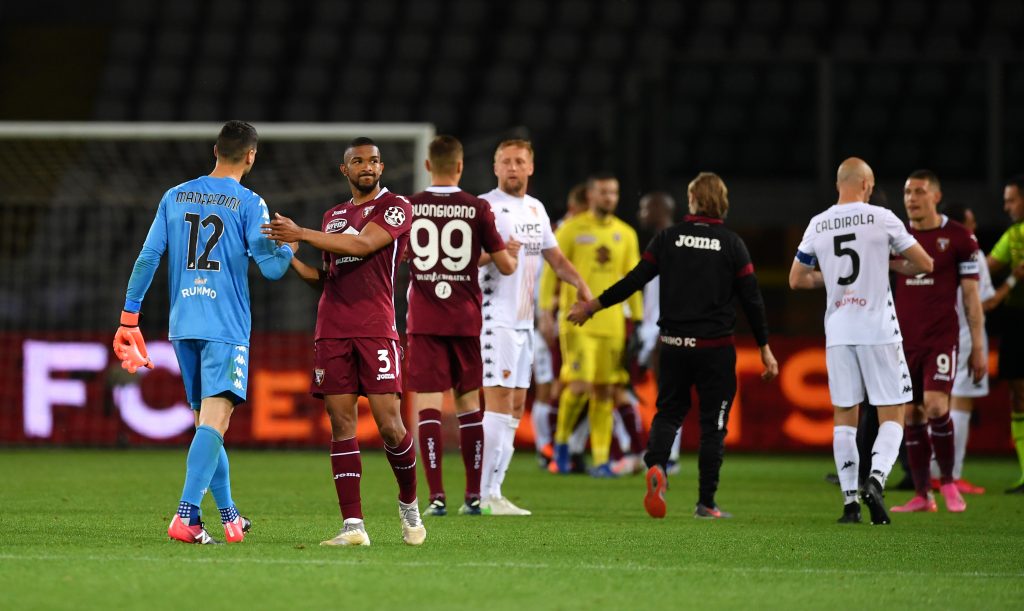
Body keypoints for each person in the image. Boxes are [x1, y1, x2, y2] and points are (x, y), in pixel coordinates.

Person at [113, 120, 295, 544]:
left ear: (215, 150)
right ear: (251, 156)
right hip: (224, 325)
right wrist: (290, 247)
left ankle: (229, 516)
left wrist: (128, 318)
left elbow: (148, 257)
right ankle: (186, 515)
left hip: (184, 324)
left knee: (207, 425)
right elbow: (271, 269)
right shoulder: (250, 202)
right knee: (216, 421)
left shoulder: (174, 195)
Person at [570, 172, 778, 519]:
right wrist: (764, 347)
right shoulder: (732, 244)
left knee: (669, 413)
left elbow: (634, 281)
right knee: (713, 426)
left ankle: (657, 466)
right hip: (715, 349)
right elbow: (752, 300)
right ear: (722, 202)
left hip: (673, 345)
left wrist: (593, 306)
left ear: (693, 200)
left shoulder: (668, 238)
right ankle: (706, 503)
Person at [262, 137, 425, 546]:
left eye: (374, 160)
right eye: (358, 161)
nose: (367, 166)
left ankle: (409, 503)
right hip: (332, 330)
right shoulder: (332, 216)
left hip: (376, 328)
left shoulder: (396, 206)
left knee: (390, 426)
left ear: (382, 168)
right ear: (345, 169)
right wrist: (289, 254)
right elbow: (327, 279)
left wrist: (302, 232)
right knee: (341, 424)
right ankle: (353, 526)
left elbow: (364, 244)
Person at [789, 157, 933, 525]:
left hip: (839, 331)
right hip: (878, 330)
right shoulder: (882, 217)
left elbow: (797, 279)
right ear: (866, 185)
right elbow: (925, 264)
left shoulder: (818, 223)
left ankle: (850, 505)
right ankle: (876, 479)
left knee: (845, 417)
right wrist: (890, 265)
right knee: (893, 412)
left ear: (839, 184)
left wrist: (832, 276)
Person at [404, 135, 519, 517]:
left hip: (424, 318)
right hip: (465, 320)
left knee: (428, 405)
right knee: (469, 404)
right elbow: (506, 266)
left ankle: (436, 497)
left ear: (427, 166)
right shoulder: (478, 207)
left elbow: (400, 256)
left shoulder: (410, 207)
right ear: (460, 166)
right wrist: (505, 254)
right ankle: (472, 496)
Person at [477, 139, 591, 515]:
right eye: (506, 161)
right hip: (495, 318)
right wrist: (497, 253)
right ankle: (481, 494)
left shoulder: (536, 209)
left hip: (524, 323)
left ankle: (494, 490)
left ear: (530, 167)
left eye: (519, 161)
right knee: (498, 404)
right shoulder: (484, 207)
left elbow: (556, 259)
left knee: (515, 406)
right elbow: (463, 258)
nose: (512, 167)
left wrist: (582, 286)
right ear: (496, 167)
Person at [887, 171, 985, 514]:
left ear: (936, 196)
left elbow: (971, 297)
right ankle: (921, 495)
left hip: (941, 337)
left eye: (919, 191)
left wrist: (978, 347)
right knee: (912, 413)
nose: (911, 198)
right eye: (907, 192)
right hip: (903, 339)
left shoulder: (959, 237)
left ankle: (948, 482)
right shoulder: (897, 236)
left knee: (935, 405)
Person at [541, 173, 643, 477]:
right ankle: (561, 446)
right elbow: (551, 272)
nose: (609, 197)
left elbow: (633, 280)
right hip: (577, 320)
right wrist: (545, 311)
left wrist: (637, 320)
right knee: (579, 385)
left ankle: (600, 460)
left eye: (613, 192)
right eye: (603, 192)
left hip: (612, 323)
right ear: (591, 195)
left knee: (605, 391)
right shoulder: (571, 229)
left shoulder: (626, 234)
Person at [929, 203, 997, 494]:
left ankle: (931, 472)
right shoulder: (972, 252)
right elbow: (985, 302)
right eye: (970, 222)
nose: (974, 227)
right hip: (967, 336)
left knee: (934, 402)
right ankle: (951, 474)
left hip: (937, 334)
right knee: (961, 403)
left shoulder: (934, 249)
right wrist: (1012, 281)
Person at [531, 183, 589, 467]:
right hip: (545, 321)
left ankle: (570, 448)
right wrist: (543, 315)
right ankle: (545, 449)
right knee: (548, 386)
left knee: (580, 386)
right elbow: (539, 279)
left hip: (574, 321)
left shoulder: (587, 236)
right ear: (575, 207)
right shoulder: (553, 234)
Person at [988, 175, 1024, 493]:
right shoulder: (1012, 235)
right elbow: (987, 267)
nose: (1006, 206)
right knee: (1017, 393)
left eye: (1011, 200)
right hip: (1016, 320)